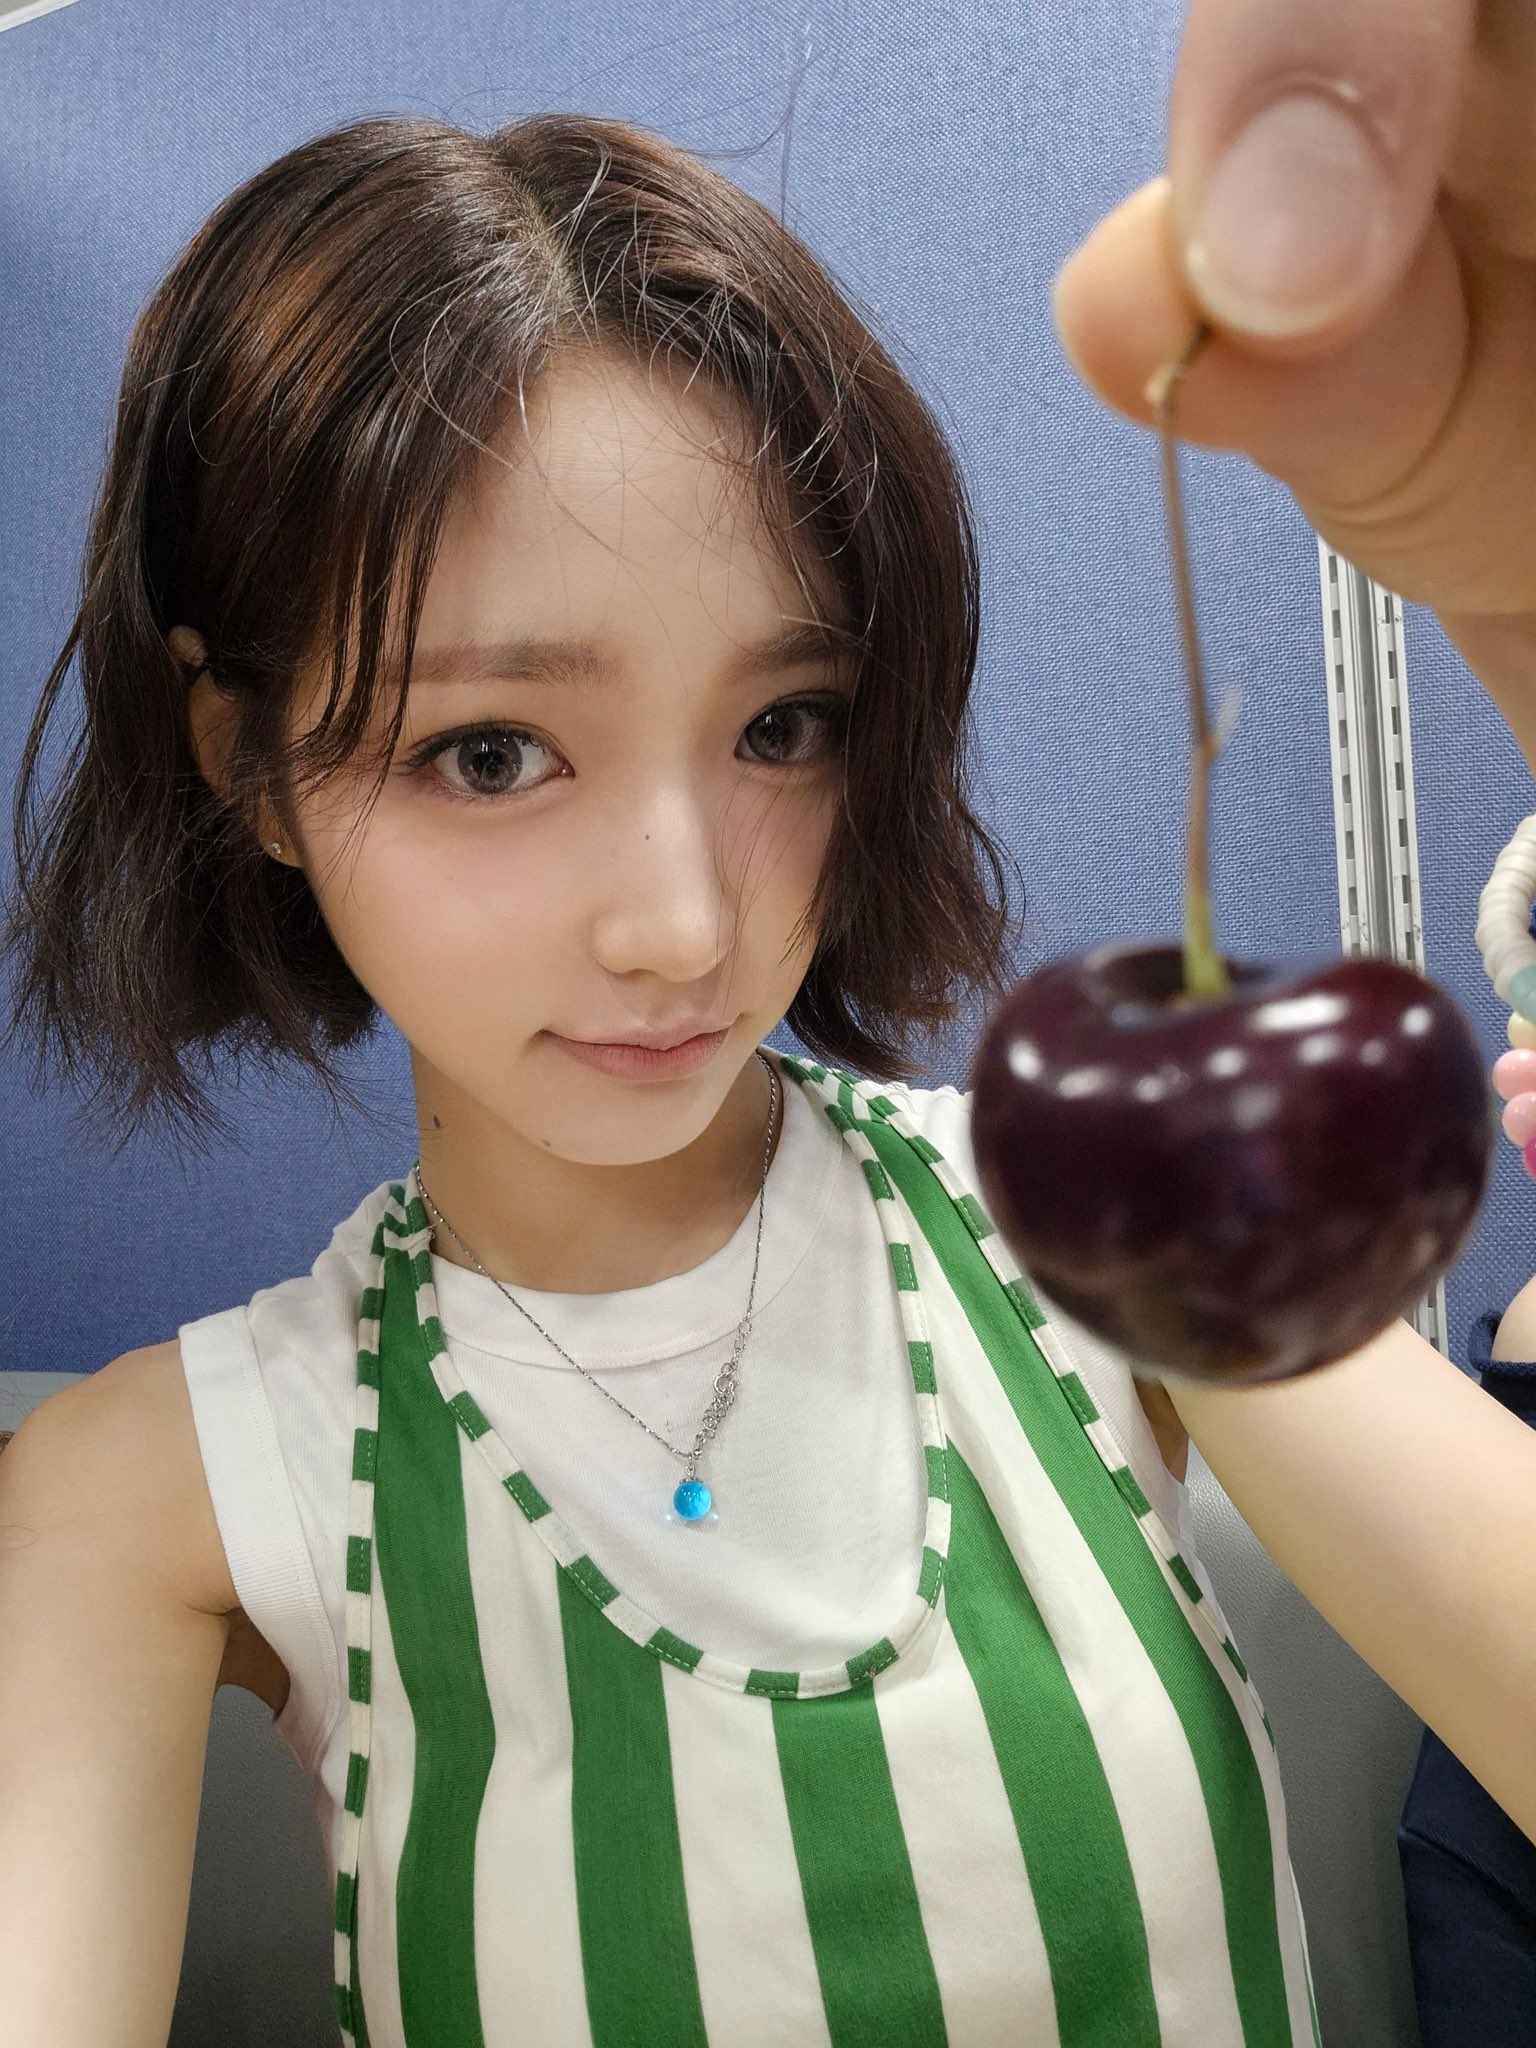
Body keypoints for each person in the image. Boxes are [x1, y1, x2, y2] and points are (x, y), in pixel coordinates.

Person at [4, 7, 1536, 2047]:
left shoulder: (1107, 1215)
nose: (684, 921)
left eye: (782, 726)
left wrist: (1518, 598)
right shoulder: (155, 1488)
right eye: (489, 751)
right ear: (249, 762)